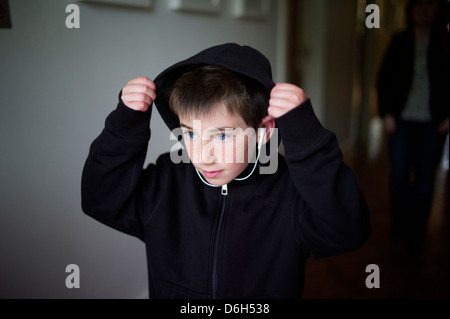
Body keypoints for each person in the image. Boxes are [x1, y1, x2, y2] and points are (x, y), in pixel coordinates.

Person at [82, 43, 370, 299]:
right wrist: (125, 125)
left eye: (222, 136)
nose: (203, 156)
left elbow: (348, 231)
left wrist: (305, 136)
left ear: (263, 131)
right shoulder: (167, 180)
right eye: (191, 134)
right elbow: (100, 200)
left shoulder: (291, 192)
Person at [377, 0, 449, 252]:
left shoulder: (445, 42)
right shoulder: (399, 41)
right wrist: (386, 113)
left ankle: (417, 233)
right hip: (401, 121)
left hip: (434, 124)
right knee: (398, 176)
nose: (424, 9)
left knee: (425, 180)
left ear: (438, 10)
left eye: (430, 4)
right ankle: (399, 225)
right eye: (419, 4)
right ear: (411, 9)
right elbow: (383, 79)